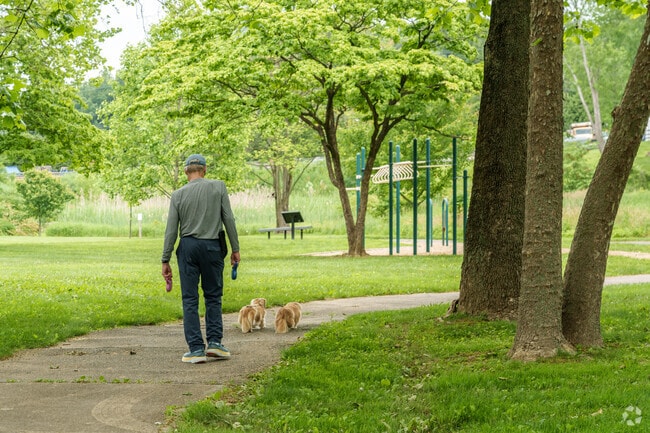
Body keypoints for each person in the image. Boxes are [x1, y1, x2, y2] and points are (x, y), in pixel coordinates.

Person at [161, 154, 240, 364]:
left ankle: (195, 348)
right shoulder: (218, 187)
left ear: (187, 171)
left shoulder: (177, 195)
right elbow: (228, 219)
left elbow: (171, 231)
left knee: (190, 299)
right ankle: (215, 343)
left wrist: (165, 259)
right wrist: (235, 248)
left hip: (187, 247)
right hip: (212, 246)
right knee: (213, 296)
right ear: (204, 170)